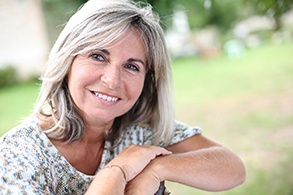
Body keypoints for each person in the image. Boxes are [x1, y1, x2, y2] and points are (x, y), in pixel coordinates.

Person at [0, 0, 246, 194]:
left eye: (132, 66)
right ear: (67, 61)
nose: (112, 80)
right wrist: (119, 169)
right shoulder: (20, 153)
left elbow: (232, 168)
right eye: (98, 56)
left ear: (147, 81)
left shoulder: (139, 130)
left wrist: (156, 168)